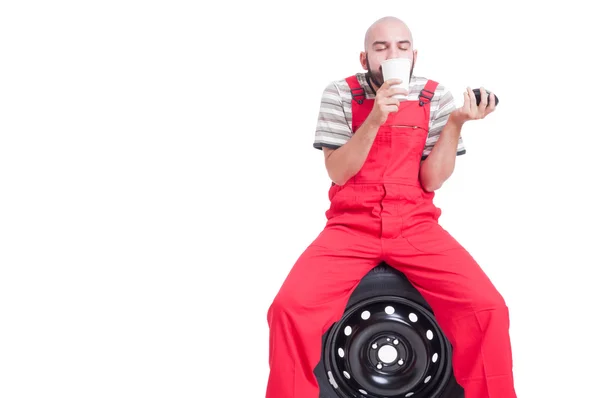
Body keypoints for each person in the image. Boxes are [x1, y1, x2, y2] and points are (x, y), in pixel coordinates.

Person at [265, 16, 517, 398]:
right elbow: (337, 172)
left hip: (415, 226)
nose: (392, 54)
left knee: (488, 309)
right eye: (380, 48)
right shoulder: (339, 94)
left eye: (401, 47)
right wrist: (376, 118)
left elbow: (432, 180)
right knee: (287, 309)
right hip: (351, 228)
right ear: (365, 58)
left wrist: (456, 124)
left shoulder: (436, 97)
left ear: (414, 55)